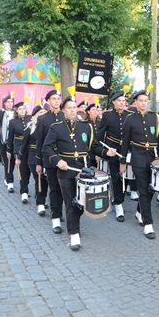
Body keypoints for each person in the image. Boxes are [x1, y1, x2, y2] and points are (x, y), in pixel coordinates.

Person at [42, 96, 114, 251]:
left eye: (75, 107)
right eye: (69, 107)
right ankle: (74, 234)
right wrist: (57, 160)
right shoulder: (56, 127)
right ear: (63, 110)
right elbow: (46, 148)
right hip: (66, 171)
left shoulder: (86, 127)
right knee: (70, 202)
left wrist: (106, 152)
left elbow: (93, 147)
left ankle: (74, 224)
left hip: (84, 171)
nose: (73, 110)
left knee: (81, 204)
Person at [119, 89, 159, 239]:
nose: (143, 103)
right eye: (140, 100)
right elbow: (125, 143)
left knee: (151, 189)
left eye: (146, 100)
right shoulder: (130, 119)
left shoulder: (155, 118)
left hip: (153, 158)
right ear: (135, 102)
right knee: (143, 190)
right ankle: (148, 224)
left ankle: (140, 212)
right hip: (138, 158)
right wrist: (122, 161)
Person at [95, 91, 131, 222]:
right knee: (115, 177)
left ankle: (119, 198)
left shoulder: (130, 115)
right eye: (119, 100)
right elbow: (100, 135)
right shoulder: (107, 116)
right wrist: (100, 151)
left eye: (124, 100)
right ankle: (118, 204)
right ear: (114, 102)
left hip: (128, 150)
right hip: (113, 150)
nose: (122, 103)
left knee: (126, 176)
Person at [36, 89, 65, 233]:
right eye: (53, 99)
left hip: (65, 159)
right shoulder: (43, 119)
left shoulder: (65, 115)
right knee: (54, 188)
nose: (56, 101)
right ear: (48, 101)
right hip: (49, 159)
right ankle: (55, 217)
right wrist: (39, 163)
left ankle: (59, 211)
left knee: (64, 189)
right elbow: (40, 143)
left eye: (58, 98)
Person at [20, 105, 48, 215]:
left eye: (44, 113)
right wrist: (19, 157)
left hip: (47, 156)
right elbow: (24, 143)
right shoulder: (30, 127)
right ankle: (40, 203)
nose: (43, 115)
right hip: (33, 156)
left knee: (47, 181)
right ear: (35, 115)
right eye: (40, 113)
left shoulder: (49, 126)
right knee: (39, 180)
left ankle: (42, 198)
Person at [7, 102, 31, 204]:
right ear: (16, 111)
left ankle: (25, 186)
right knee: (22, 170)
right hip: (19, 147)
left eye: (24, 109)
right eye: (20, 109)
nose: (22, 111)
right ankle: (24, 192)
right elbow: (10, 137)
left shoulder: (30, 119)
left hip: (30, 147)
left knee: (30, 171)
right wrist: (9, 150)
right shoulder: (13, 122)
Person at [0, 95, 16, 193]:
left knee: (13, 161)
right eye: (8, 102)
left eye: (11, 102)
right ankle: (8, 179)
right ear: (5, 103)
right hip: (4, 141)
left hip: (15, 141)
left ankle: (8, 177)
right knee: (7, 161)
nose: (10, 104)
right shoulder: (0, 113)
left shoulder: (16, 113)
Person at [85, 102, 100, 168]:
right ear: (88, 112)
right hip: (89, 153)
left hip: (100, 152)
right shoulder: (85, 124)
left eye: (97, 110)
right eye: (93, 109)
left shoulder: (101, 123)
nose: (95, 111)